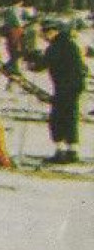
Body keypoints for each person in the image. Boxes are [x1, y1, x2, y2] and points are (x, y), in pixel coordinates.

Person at [33, 19, 87, 164]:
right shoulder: (70, 44)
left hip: (65, 87)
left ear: (52, 32)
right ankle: (72, 150)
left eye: (44, 33)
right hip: (75, 86)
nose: (43, 37)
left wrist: (34, 61)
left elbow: (43, 64)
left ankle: (61, 151)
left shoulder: (56, 47)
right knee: (70, 116)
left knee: (57, 119)